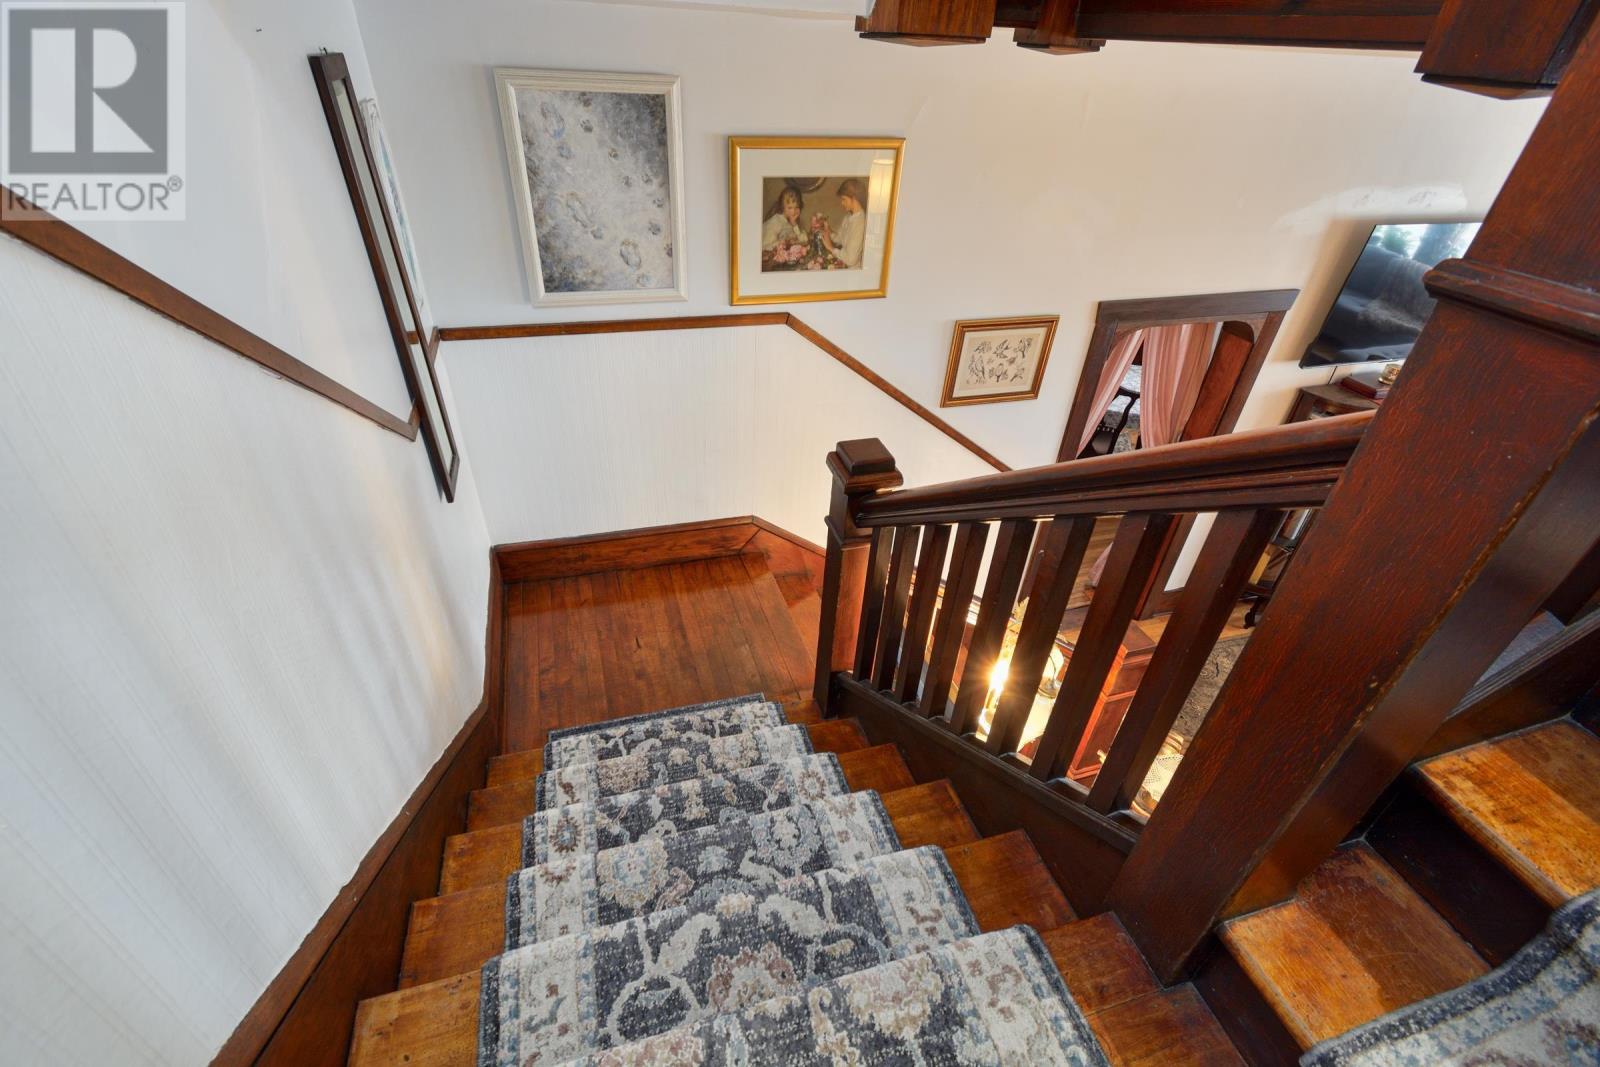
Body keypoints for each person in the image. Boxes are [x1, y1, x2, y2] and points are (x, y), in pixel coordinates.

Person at [818, 178, 867, 268]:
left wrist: (831, 248)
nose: (842, 203)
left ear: (854, 198)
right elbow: (840, 239)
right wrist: (829, 231)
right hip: (844, 265)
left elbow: (851, 260)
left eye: (844, 199)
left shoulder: (861, 222)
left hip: (853, 270)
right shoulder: (848, 217)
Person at [761, 185, 806, 254]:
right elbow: (764, 247)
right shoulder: (775, 221)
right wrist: (784, 242)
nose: (793, 211)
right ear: (783, 207)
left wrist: (794, 224)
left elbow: (804, 240)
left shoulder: (792, 222)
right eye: (790, 208)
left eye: (796, 207)